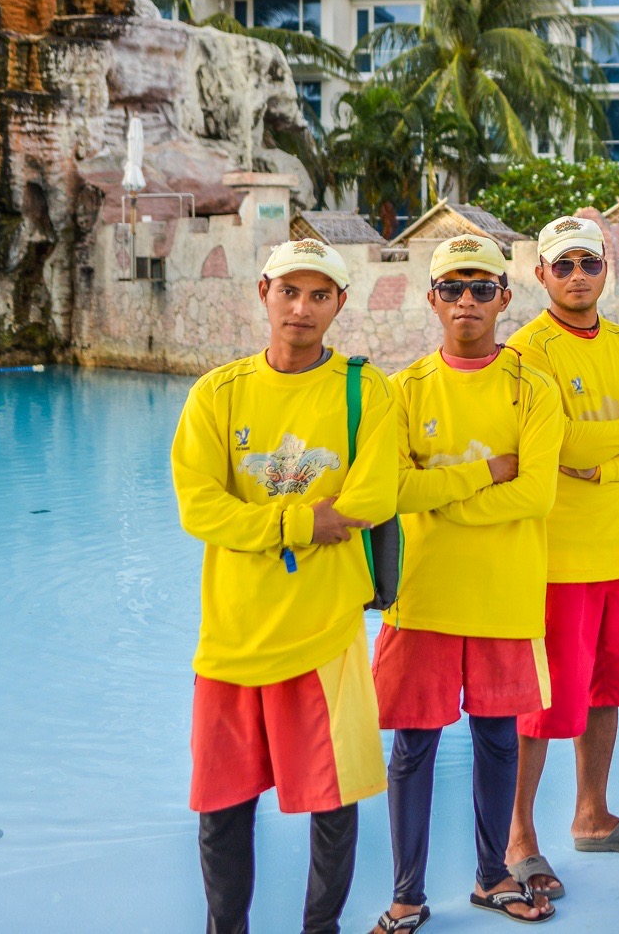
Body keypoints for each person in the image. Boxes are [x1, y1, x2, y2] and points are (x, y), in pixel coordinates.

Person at [173, 240, 415, 934]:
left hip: (325, 630)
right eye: (289, 291)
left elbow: (367, 498)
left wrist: (260, 521)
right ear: (263, 292)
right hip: (231, 635)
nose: (301, 307)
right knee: (221, 803)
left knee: (332, 801)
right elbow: (199, 509)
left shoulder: (366, 390)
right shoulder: (217, 394)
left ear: (340, 302)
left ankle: (321, 927)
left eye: (319, 295)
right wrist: (305, 517)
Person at [375, 234, 562, 929]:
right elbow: (393, 489)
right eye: (452, 287)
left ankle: (491, 875)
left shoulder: (533, 390)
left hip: (502, 593)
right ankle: (407, 893)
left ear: (505, 297)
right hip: (421, 597)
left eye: (482, 286)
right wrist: (484, 473)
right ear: (431, 299)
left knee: (496, 736)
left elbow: (537, 495)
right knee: (413, 745)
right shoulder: (405, 390)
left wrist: (438, 493)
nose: (466, 300)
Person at [504, 216, 619, 901]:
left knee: (609, 691)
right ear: (542, 273)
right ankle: (520, 837)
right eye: (564, 264)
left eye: (589, 262)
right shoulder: (527, 351)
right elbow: (556, 446)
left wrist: (612, 460)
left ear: (606, 268)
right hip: (554, 559)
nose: (578, 275)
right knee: (540, 706)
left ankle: (592, 812)